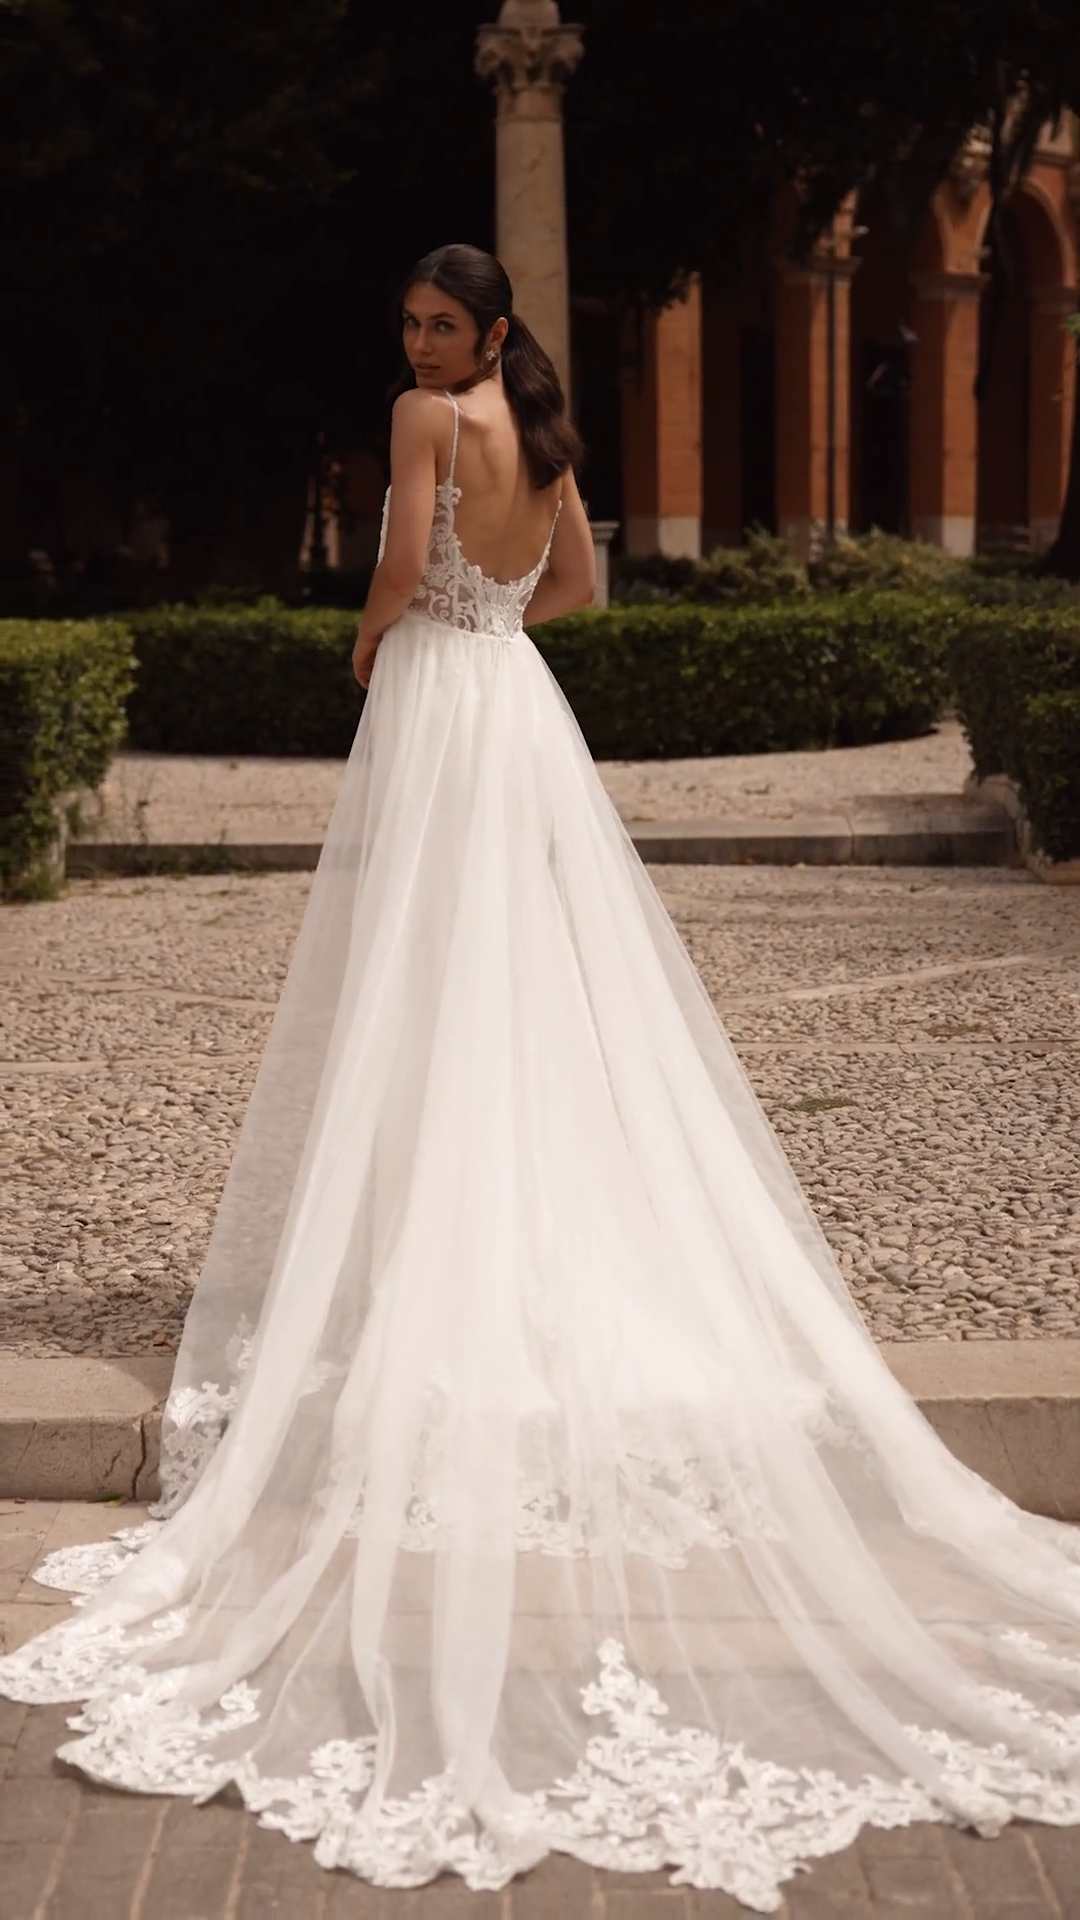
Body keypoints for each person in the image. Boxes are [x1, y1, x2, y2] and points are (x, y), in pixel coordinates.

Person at [3, 243, 1079, 1915]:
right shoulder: (546, 435)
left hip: (440, 701)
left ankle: (437, 1260)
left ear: (486, 330)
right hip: (519, 698)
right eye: (412, 328)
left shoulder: (425, 421)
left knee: (427, 983)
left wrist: (382, 645)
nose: (420, 347)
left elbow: (382, 572)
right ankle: (490, 1246)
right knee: (512, 986)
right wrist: (486, 613)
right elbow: (579, 592)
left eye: (440, 324)